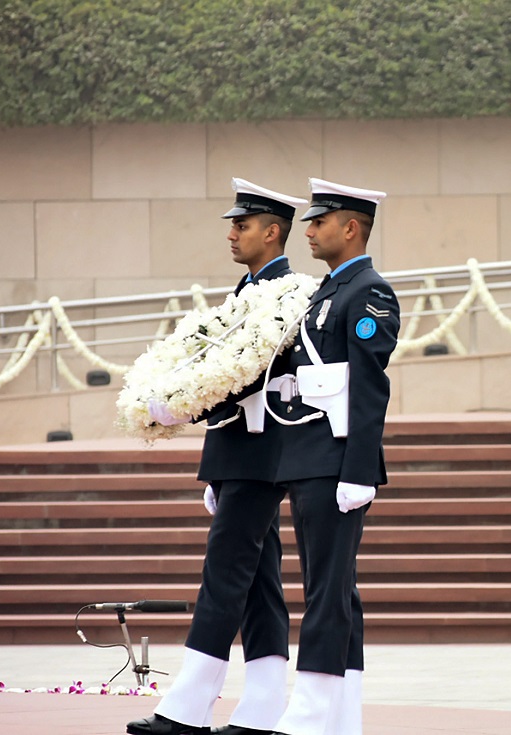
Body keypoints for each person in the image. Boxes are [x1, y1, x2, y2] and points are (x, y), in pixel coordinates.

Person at [127, 178, 307, 735]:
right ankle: (262, 706)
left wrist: (176, 410)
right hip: (237, 453)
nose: (232, 234)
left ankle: (190, 704)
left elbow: (245, 377)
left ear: (272, 232)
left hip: (261, 452)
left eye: (243, 225)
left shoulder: (289, 294)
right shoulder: (245, 292)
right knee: (258, 581)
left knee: (225, 571)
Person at [265, 178, 400, 735]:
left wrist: (360, 470)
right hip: (308, 456)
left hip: (337, 460)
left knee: (325, 587)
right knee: (335, 586)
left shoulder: (368, 292)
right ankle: (342, 715)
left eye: (320, 221)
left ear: (351, 227)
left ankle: (311, 709)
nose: (309, 229)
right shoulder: (325, 292)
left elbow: (369, 386)